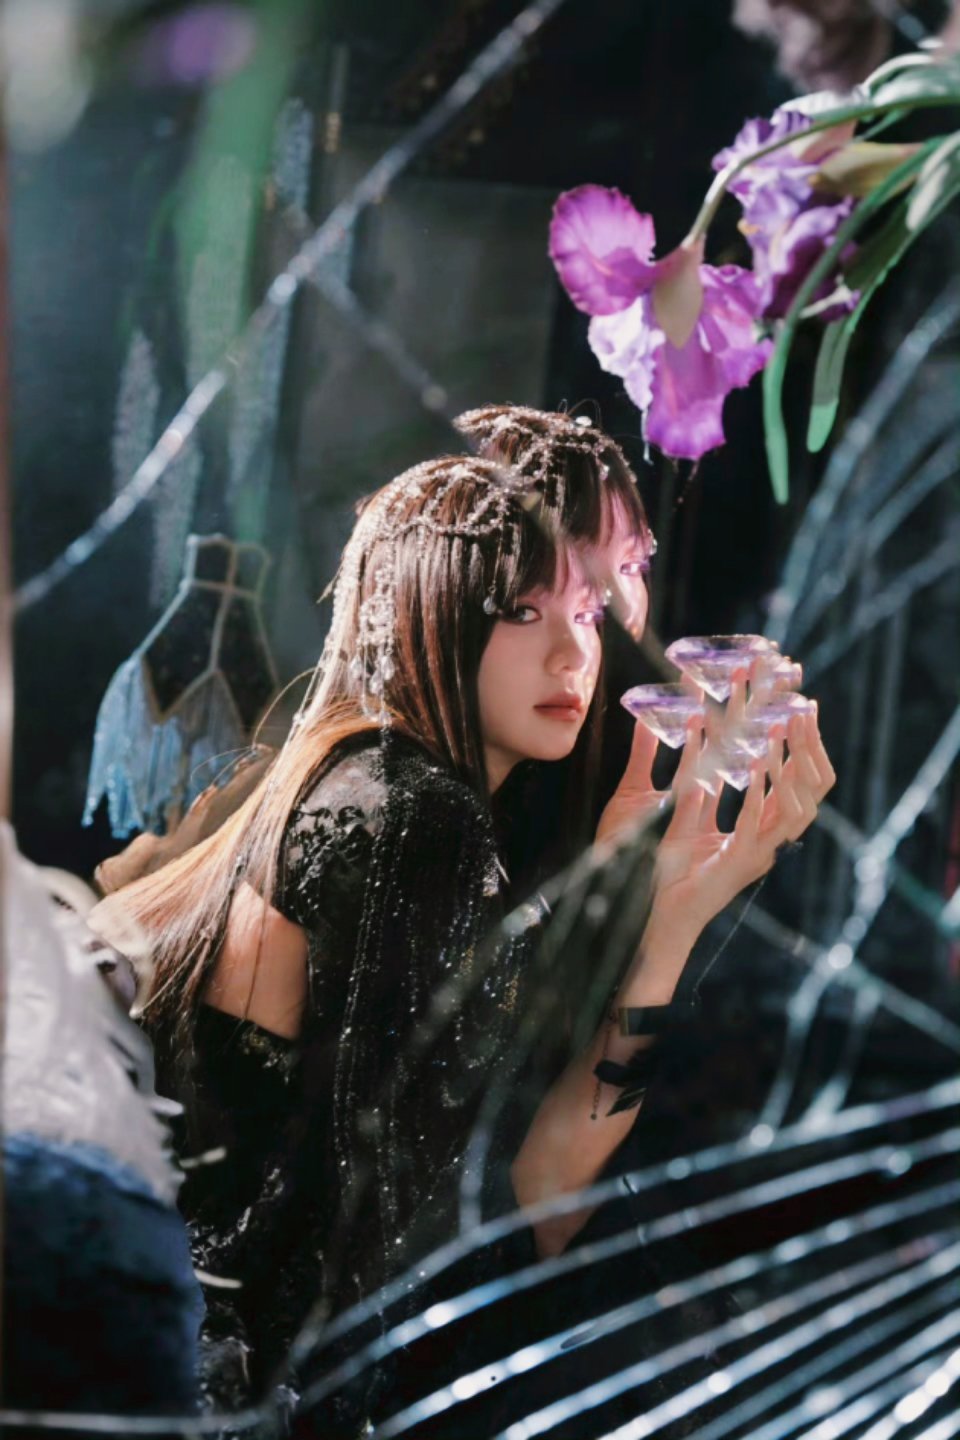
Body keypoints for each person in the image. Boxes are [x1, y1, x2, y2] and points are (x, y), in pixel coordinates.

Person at [92, 416, 833, 1421]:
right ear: (429, 605)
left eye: (593, 605)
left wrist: (669, 912)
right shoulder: (407, 815)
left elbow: (530, 1196)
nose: (576, 651)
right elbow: (454, 1245)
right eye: (523, 609)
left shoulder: (361, 782)